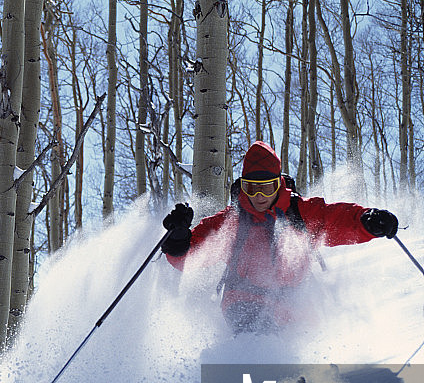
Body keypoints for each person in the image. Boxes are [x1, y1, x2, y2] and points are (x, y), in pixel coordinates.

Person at [161, 141, 399, 334]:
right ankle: (258, 378)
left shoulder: (300, 212)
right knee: (257, 330)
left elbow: (334, 219)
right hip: (243, 299)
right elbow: (191, 258)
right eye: (251, 187)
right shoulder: (231, 222)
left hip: (292, 303)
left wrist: (366, 222)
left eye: (266, 187)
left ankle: (300, 382)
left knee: (294, 335)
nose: (258, 196)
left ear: (279, 185)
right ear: (242, 187)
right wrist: (178, 240)